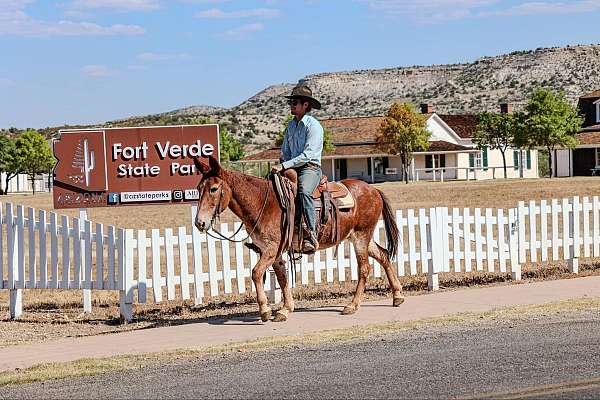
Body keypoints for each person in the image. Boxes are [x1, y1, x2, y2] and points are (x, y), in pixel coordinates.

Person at [271, 83, 324, 252]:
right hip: (292, 167)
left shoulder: (313, 126)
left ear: (305, 105)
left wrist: (284, 165)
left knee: (304, 192)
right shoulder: (291, 125)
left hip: (310, 168)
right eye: (291, 102)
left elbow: (308, 155)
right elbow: (285, 150)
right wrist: (283, 163)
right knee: (270, 188)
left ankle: (310, 233)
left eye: (295, 102)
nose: (291, 105)